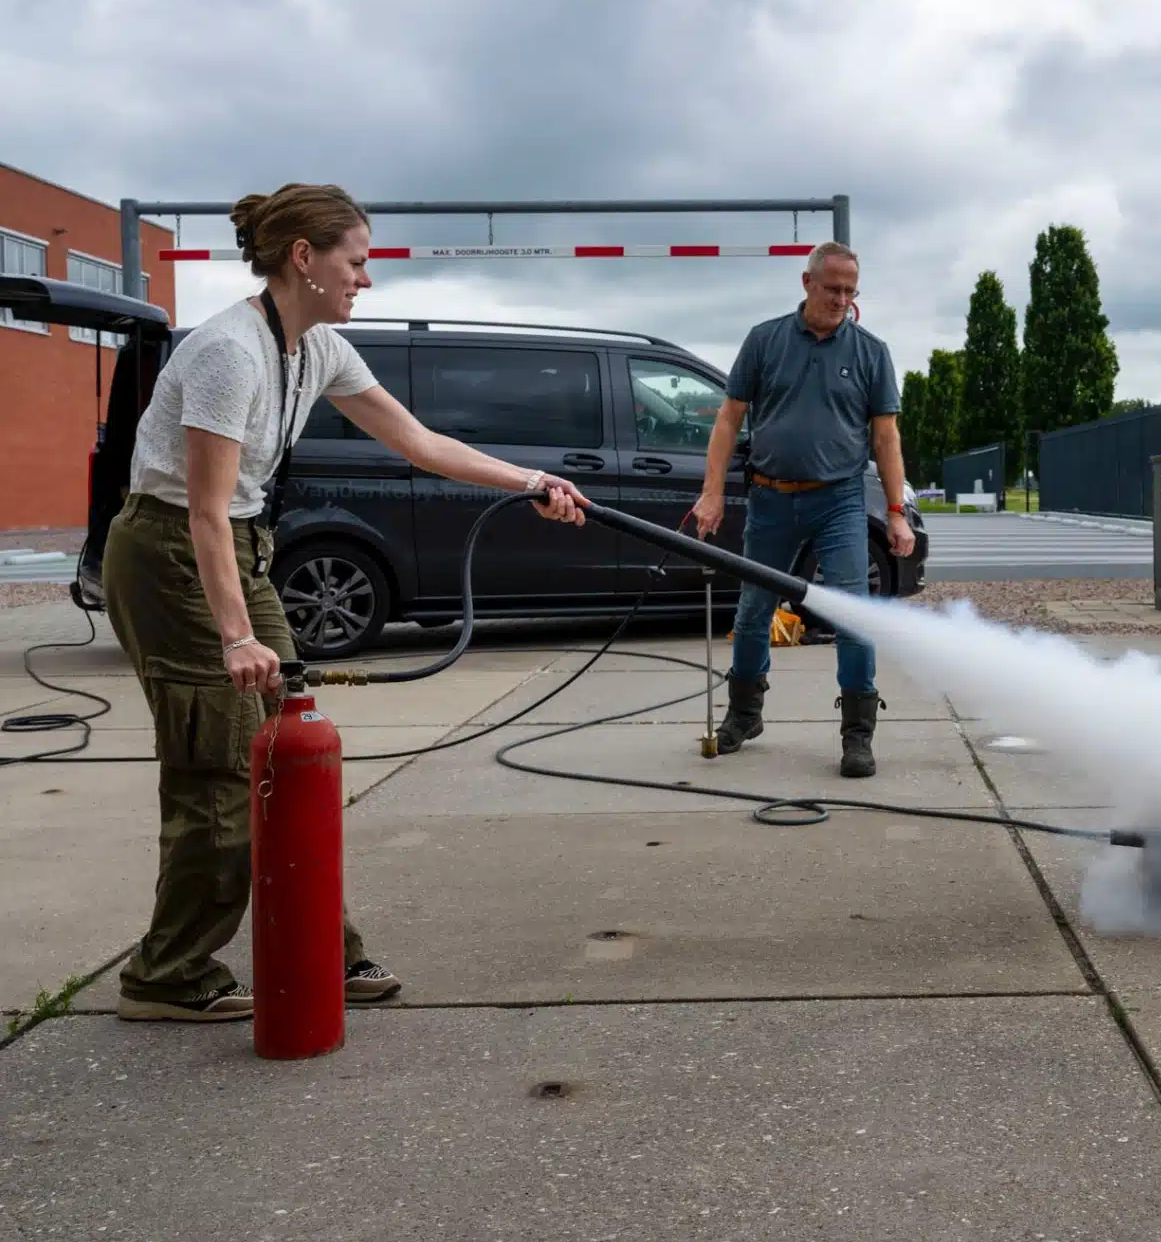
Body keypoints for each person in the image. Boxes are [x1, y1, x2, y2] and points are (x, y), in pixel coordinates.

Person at [102, 182, 593, 1022]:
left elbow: (419, 441)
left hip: (239, 548)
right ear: (305, 257)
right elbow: (204, 511)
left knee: (289, 748)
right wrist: (235, 637)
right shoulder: (229, 352)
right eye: (355, 261)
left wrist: (532, 481)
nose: (366, 278)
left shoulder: (317, 348)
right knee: (221, 765)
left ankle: (319, 948)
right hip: (173, 554)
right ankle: (167, 972)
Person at [686, 241, 915, 778]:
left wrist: (896, 511)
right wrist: (712, 492)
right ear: (807, 282)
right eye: (833, 288)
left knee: (852, 615)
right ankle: (745, 715)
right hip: (770, 500)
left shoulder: (871, 352)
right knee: (752, 613)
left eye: (850, 291)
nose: (842, 300)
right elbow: (728, 418)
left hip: (839, 501)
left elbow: (886, 437)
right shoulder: (764, 341)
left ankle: (857, 734)